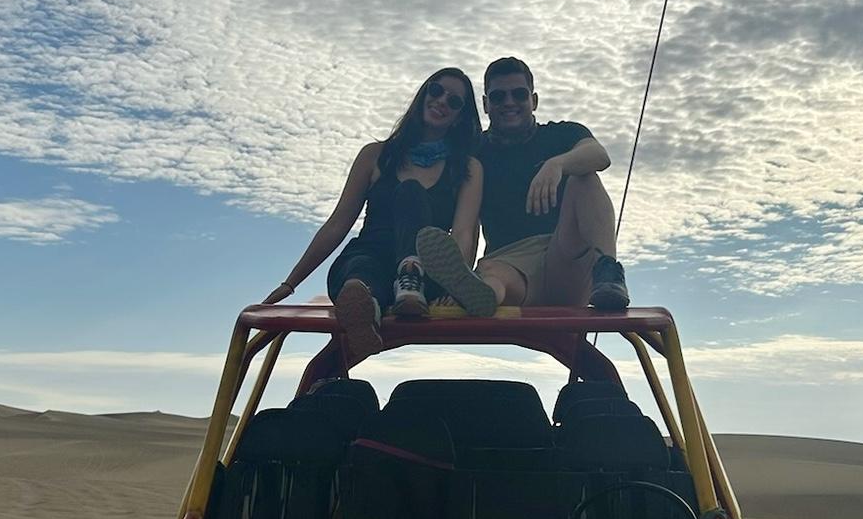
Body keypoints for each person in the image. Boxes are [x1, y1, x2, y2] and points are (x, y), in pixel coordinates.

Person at [262, 68, 484, 361]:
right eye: (436, 90)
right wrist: (289, 284)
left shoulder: (468, 169)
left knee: (410, 192)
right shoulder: (376, 155)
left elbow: (466, 233)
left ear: (460, 117)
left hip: (430, 271)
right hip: (368, 256)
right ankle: (365, 311)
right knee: (359, 278)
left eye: (454, 102)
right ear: (423, 94)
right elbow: (337, 224)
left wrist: (457, 285)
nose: (442, 101)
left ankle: (408, 278)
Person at [415, 56, 629, 313]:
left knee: (586, 177)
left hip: (563, 257)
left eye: (519, 94)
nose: (509, 103)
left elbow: (599, 155)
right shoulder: (474, 153)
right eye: (498, 97)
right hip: (508, 264)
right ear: (485, 104)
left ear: (534, 100)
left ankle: (609, 273)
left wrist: (557, 165)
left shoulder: (563, 135)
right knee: (493, 275)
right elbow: (467, 226)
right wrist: (456, 273)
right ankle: (476, 293)